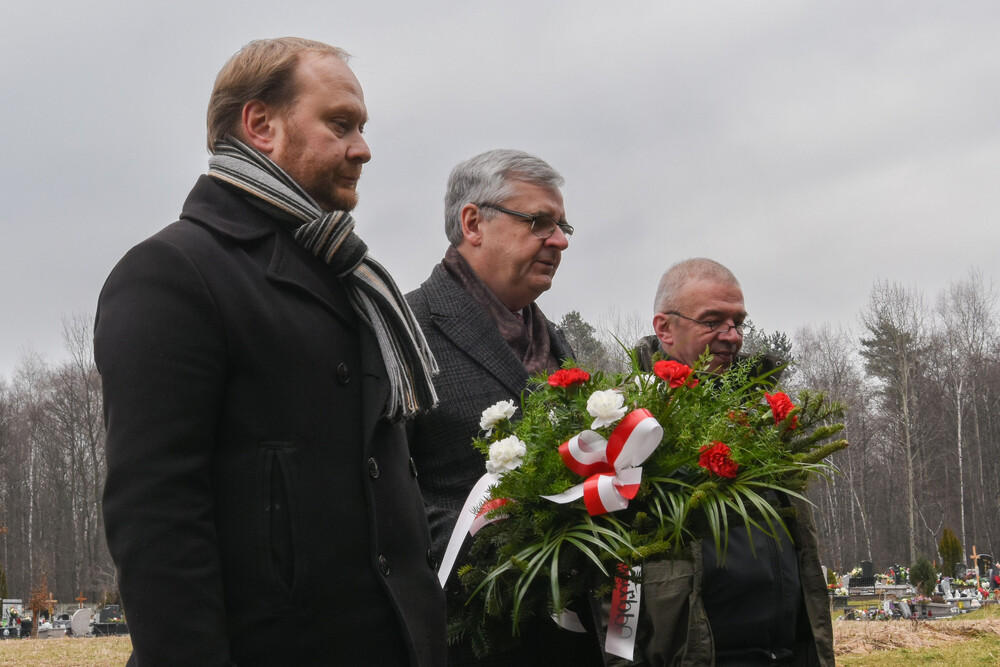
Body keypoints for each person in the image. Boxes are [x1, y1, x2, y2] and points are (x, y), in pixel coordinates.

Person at [95, 37, 444, 666]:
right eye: (340, 124)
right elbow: (157, 521)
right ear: (261, 125)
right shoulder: (171, 272)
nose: (363, 148)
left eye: (362, 127)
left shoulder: (349, 276)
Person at [406, 149, 604, 665]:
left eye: (563, 226)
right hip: (464, 642)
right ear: (473, 223)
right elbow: (378, 497)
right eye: (539, 222)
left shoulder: (555, 341)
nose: (559, 241)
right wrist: (502, 545)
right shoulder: (406, 331)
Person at [623, 257, 834, 666]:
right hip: (698, 655)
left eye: (738, 322)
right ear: (665, 328)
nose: (732, 336)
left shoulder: (764, 413)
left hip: (784, 654)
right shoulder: (630, 423)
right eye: (713, 321)